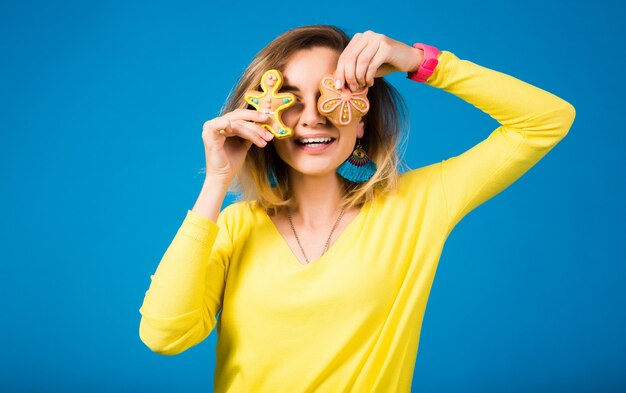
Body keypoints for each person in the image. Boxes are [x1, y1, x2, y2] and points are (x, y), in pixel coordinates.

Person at [139, 25, 575, 392]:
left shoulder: (417, 206)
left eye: (336, 91)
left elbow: (547, 119)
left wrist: (417, 61)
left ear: (362, 118)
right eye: (289, 99)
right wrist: (217, 182)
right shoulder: (236, 227)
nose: (312, 118)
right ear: (262, 116)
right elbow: (164, 334)